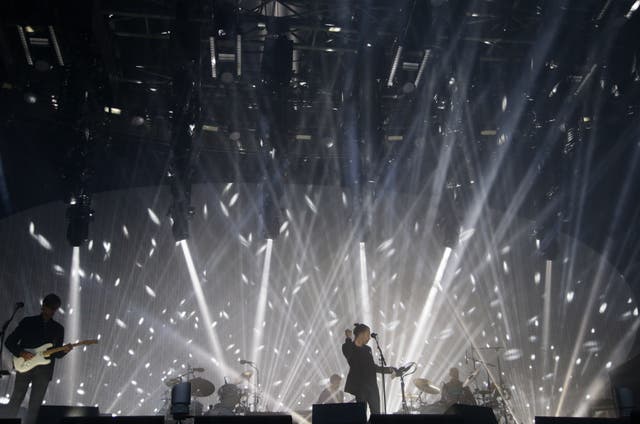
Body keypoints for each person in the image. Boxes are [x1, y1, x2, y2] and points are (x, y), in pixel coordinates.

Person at [3, 294, 73, 424]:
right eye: (49, 307)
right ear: (43, 306)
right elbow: (9, 341)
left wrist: (65, 351)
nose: (51, 311)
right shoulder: (28, 322)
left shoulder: (58, 329)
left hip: (44, 371)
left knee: (35, 406)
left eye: (54, 309)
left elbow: (56, 354)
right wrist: (21, 352)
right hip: (24, 365)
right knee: (16, 399)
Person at [342, 323, 394, 414]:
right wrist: (348, 338)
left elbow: (372, 367)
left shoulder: (367, 349)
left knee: (377, 414)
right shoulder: (348, 346)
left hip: (372, 386)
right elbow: (348, 353)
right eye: (368, 334)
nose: (369, 337)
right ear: (361, 334)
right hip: (359, 387)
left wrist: (388, 370)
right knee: (361, 414)